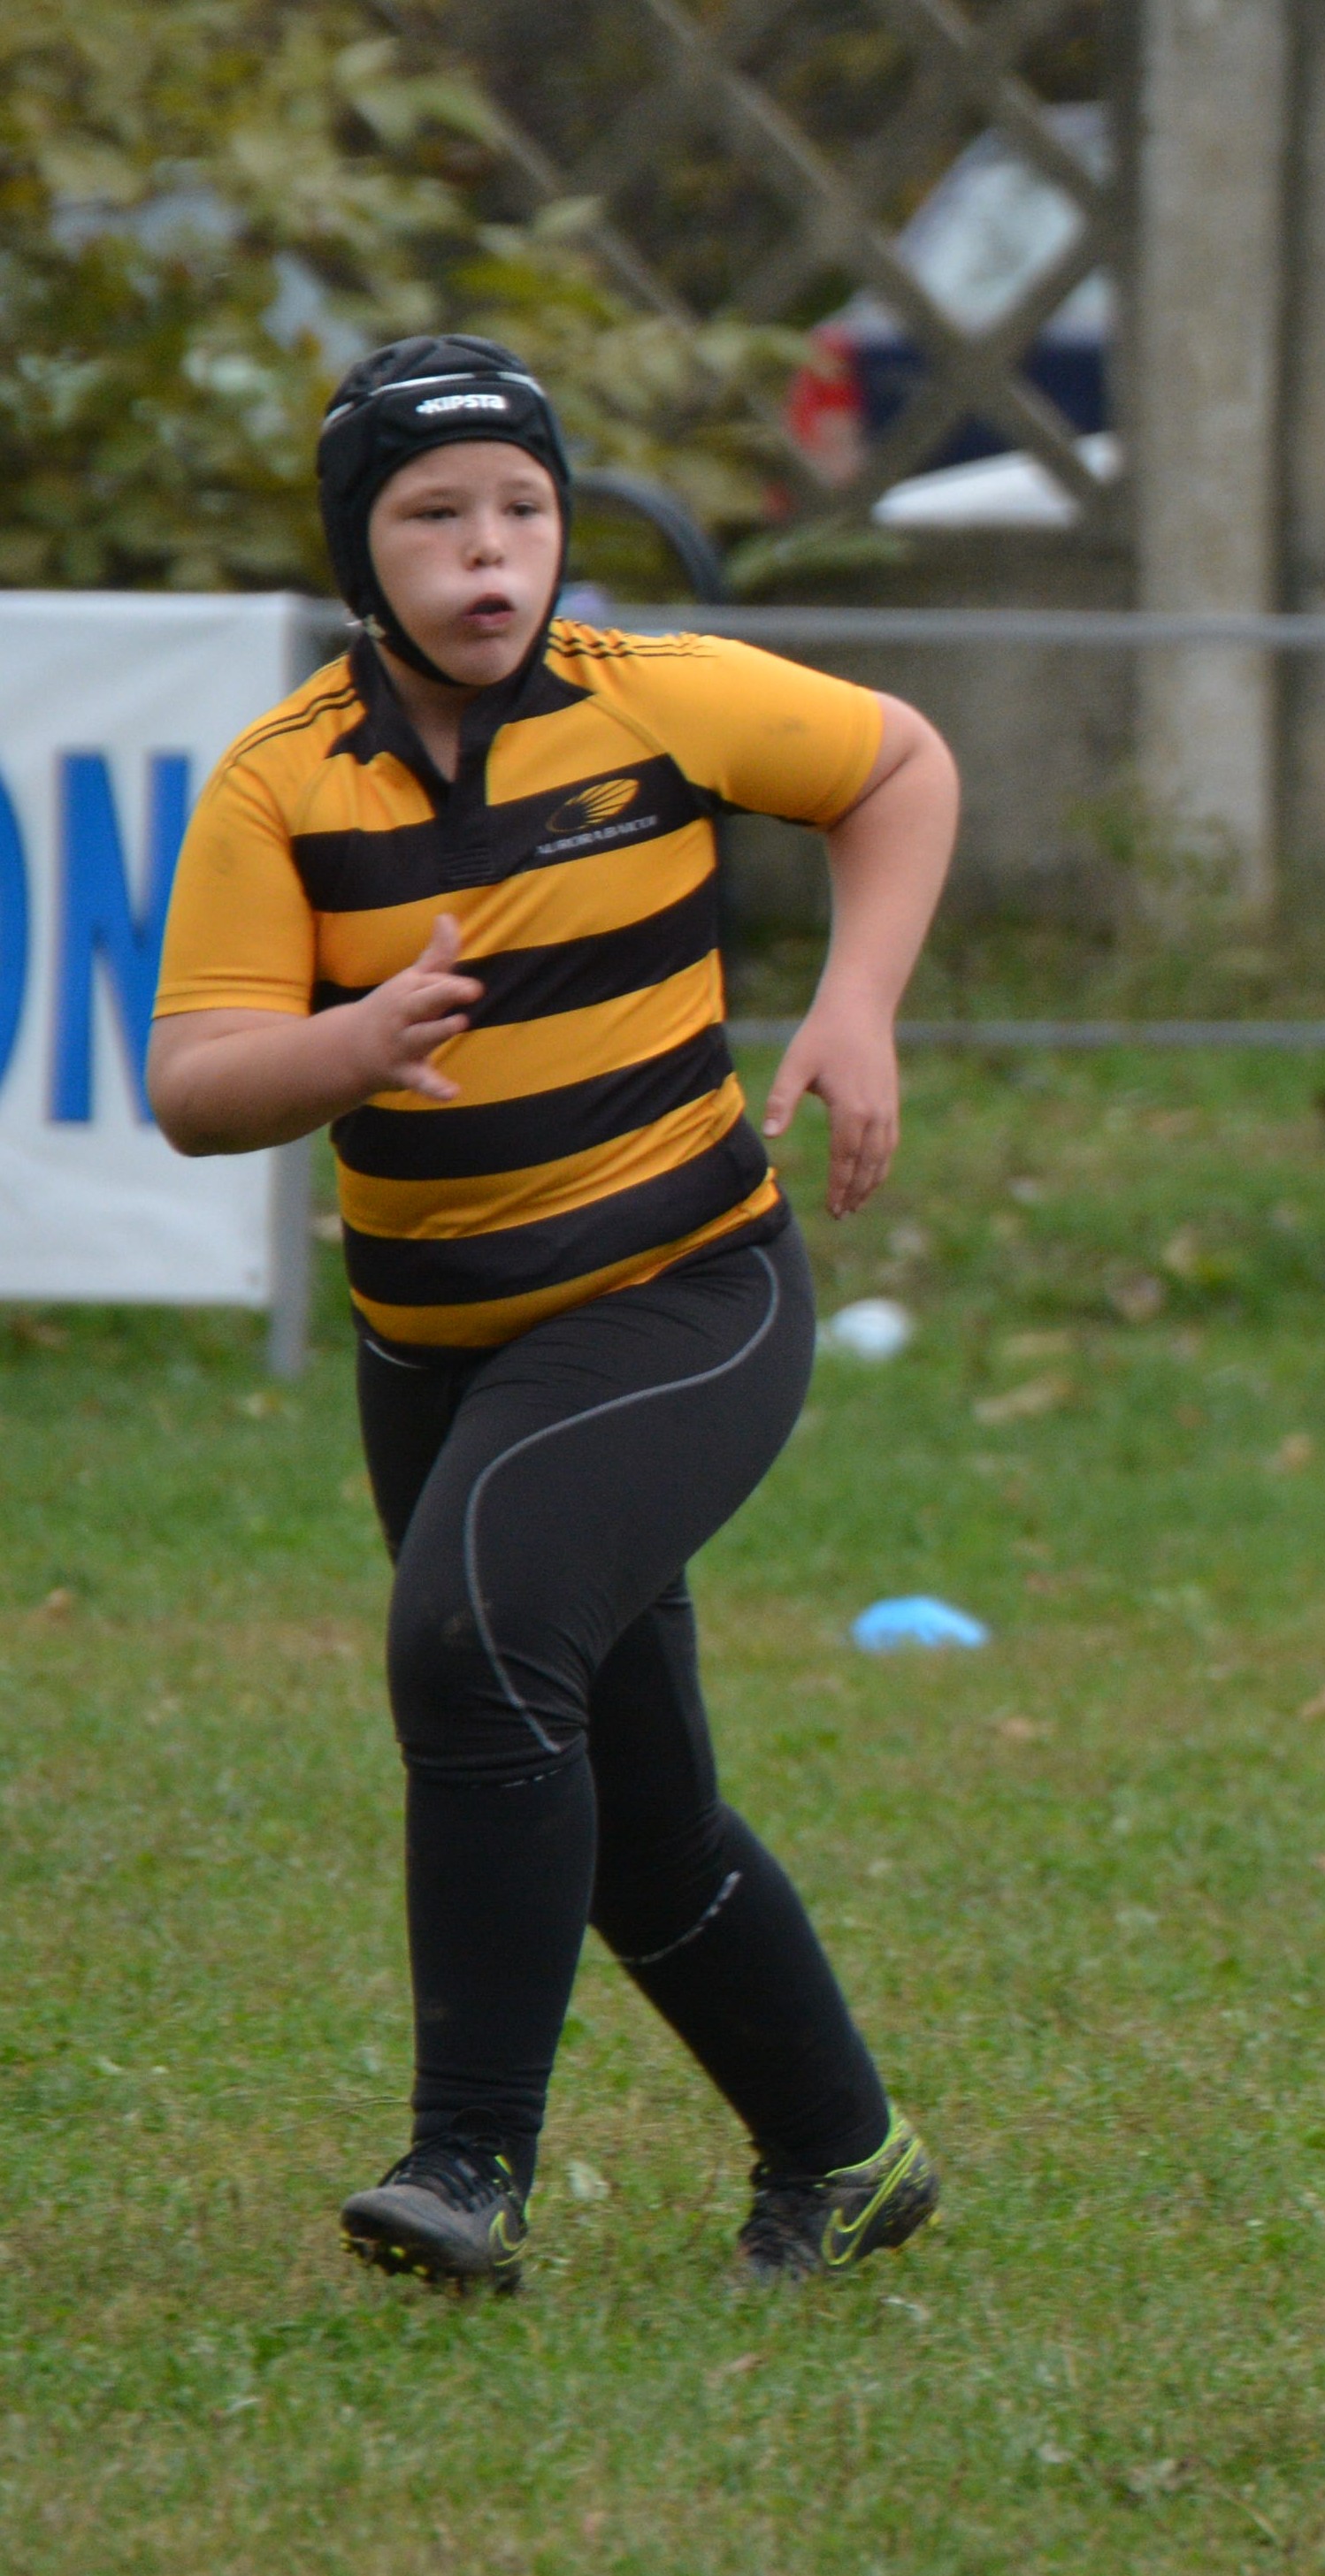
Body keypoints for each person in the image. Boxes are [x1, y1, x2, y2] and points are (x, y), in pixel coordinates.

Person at [148, 335, 958, 2291]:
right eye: (436, 519)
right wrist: (344, 1045)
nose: (490, 553)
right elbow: (194, 1086)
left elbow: (901, 766)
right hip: (432, 1352)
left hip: (687, 1293)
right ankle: (845, 2158)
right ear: (363, 554)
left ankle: (468, 2172)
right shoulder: (281, 785)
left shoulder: (654, 704)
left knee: (473, 1639)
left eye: (523, 510)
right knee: (639, 1815)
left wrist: (856, 1007)